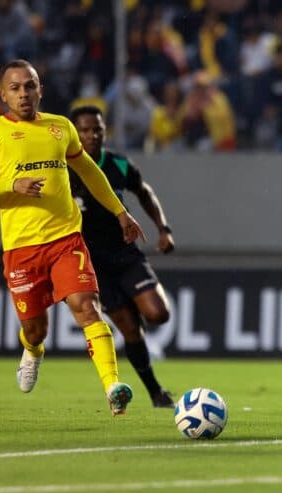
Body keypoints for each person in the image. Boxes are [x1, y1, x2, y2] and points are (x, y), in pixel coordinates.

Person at [0, 59, 145, 415]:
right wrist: (11, 184)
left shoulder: (60, 128)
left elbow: (90, 174)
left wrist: (120, 212)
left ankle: (113, 387)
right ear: (3, 95)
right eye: (15, 88)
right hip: (21, 248)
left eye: (29, 86)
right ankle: (32, 351)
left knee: (87, 308)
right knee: (35, 329)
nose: (23, 93)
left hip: (66, 239)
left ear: (40, 90)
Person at [69, 105, 176, 408]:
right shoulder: (64, 170)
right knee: (129, 328)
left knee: (158, 314)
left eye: (97, 129)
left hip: (125, 253)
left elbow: (144, 192)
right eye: (85, 130)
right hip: (93, 263)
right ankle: (156, 393)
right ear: (74, 134)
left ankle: (134, 303)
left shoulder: (118, 165)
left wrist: (163, 228)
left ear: (105, 131)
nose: (92, 135)